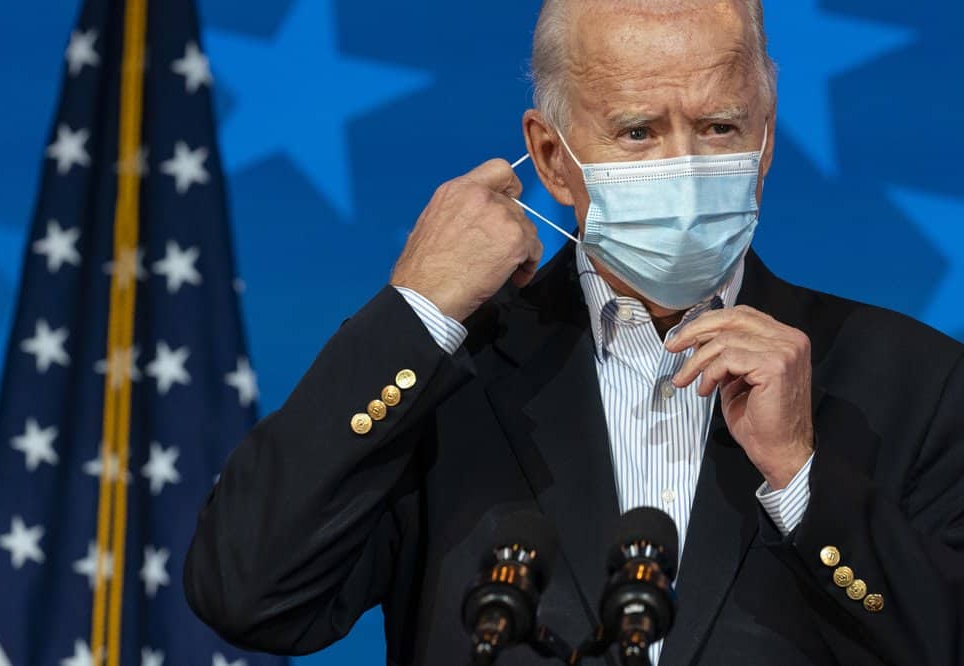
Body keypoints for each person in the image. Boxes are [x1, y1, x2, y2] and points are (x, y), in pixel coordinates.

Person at [183, 1, 964, 663]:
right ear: (553, 160)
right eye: (637, 132)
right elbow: (248, 594)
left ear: (763, 145)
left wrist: (802, 481)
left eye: (721, 126)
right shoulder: (453, 373)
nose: (685, 166)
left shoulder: (915, 382)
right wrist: (415, 310)